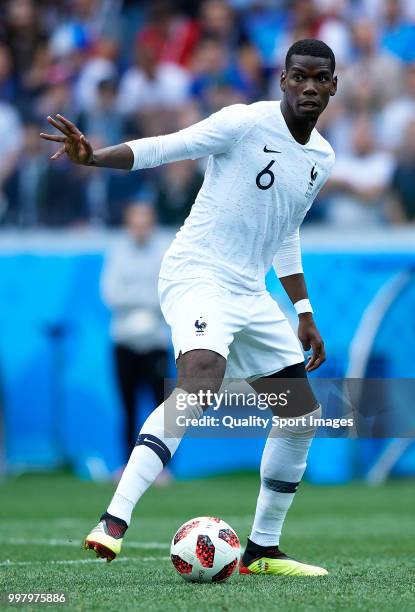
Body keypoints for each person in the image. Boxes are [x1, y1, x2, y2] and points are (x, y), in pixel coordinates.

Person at [41, 38, 337, 576]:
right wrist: (95, 158)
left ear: (334, 86)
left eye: (320, 79)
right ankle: (113, 520)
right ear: (283, 81)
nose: (310, 87)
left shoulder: (322, 157)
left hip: (249, 291)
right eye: (300, 77)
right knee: (201, 378)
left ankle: (263, 550)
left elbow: (285, 231)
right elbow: (165, 147)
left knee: (301, 417)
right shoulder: (244, 122)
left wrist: (304, 309)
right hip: (197, 272)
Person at [100, 201, 171, 457]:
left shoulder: (166, 249)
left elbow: (167, 293)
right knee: (127, 406)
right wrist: (146, 297)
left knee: (161, 408)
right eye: (135, 224)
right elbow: (110, 294)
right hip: (124, 339)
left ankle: (163, 466)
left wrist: (133, 296)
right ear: (128, 225)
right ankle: (126, 462)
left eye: (145, 224)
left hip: (156, 341)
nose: (140, 229)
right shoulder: (117, 251)